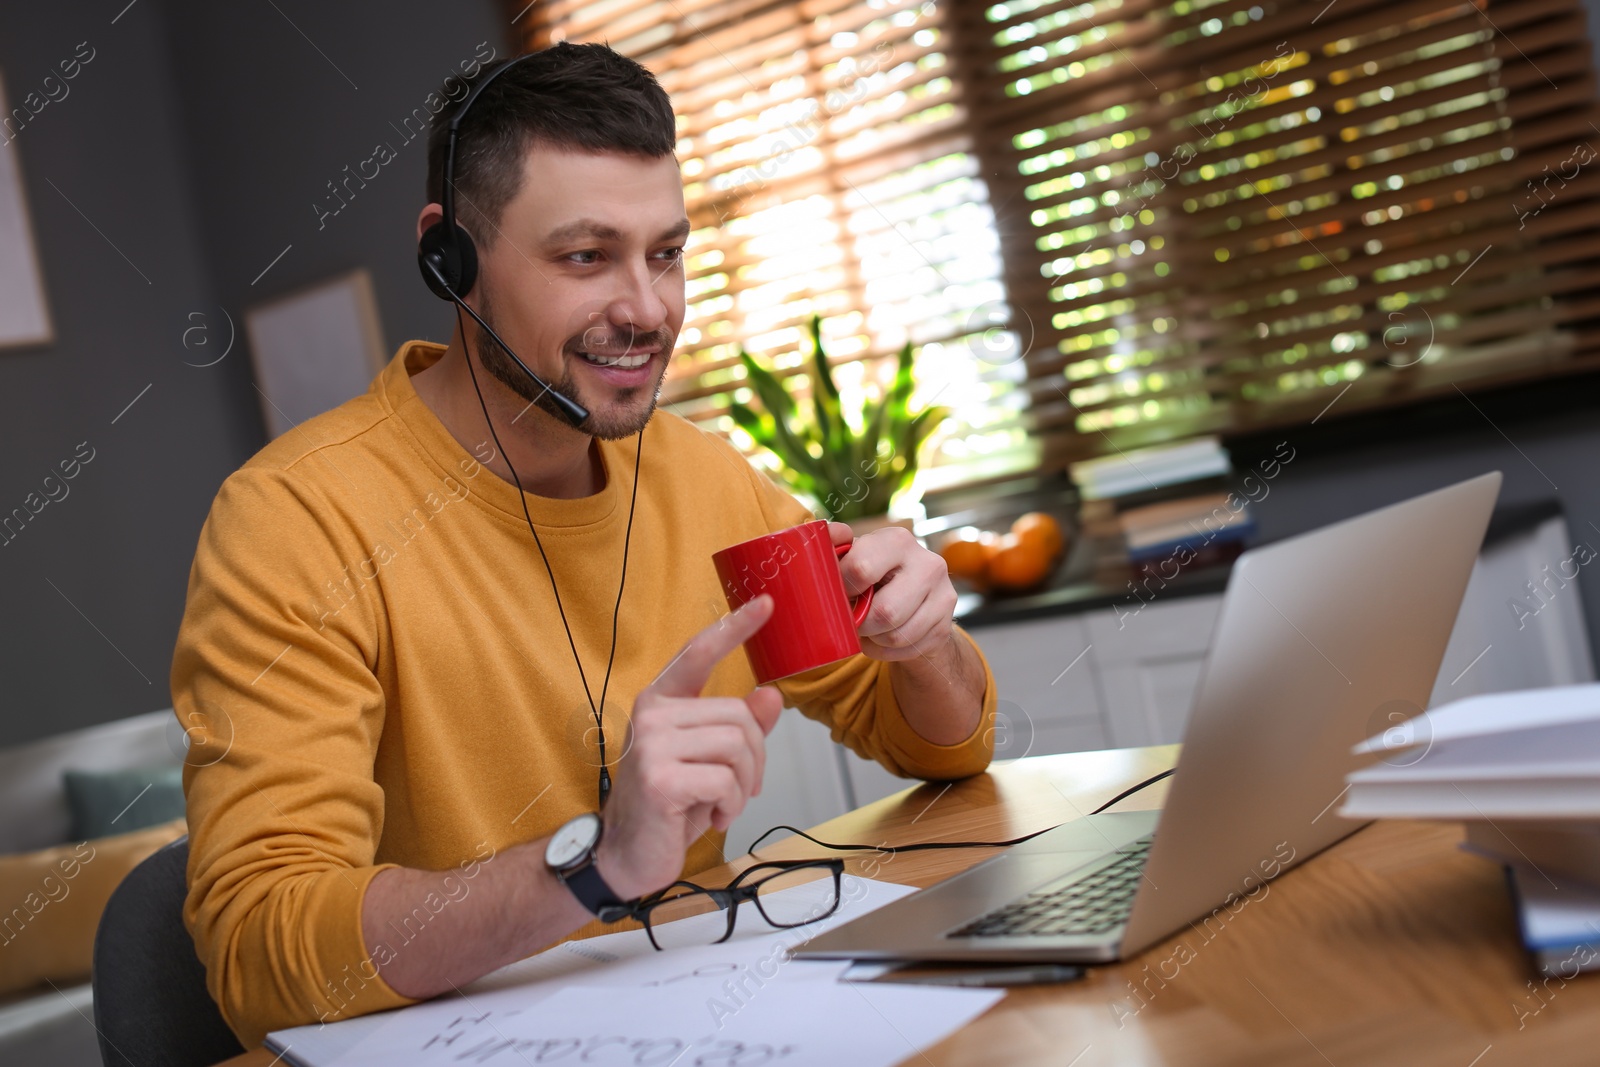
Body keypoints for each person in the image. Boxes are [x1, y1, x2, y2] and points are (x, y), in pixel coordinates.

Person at [171, 41, 996, 1048]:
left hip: (706, 1025)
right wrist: (594, 864)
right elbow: (261, 952)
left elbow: (934, 739)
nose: (647, 309)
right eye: (584, 256)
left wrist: (925, 641)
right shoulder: (294, 518)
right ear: (450, 259)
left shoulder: (704, 476)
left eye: (665, 251)